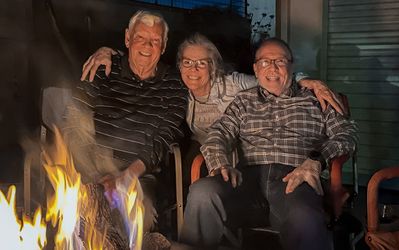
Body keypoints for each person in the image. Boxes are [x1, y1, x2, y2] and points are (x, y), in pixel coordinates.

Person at [81, 33, 344, 188]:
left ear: (214, 66)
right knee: (182, 170)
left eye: (202, 63)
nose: (193, 69)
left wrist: (305, 79)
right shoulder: (177, 87)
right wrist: (110, 52)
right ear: (179, 66)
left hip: (245, 151)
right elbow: (142, 65)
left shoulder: (234, 83)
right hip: (207, 148)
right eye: (187, 62)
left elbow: (272, 78)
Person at [179, 38, 358, 250]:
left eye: (280, 61)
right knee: (202, 192)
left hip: (296, 179)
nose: (272, 67)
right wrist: (220, 163)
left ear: (291, 65)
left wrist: (316, 160)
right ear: (255, 69)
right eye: (264, 62)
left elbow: (347, 134)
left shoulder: (317, 99)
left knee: (305, 218)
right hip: (247, 180)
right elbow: (220, 131)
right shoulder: (243, 101)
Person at [73, 10, 188, 231]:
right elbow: (74, 122)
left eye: (155, 40)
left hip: (139, 174)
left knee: (138, 215)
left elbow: (164, 137)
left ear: (163, 46)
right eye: (140, 38)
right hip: (91, 169)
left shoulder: (174, 84)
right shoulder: (100, 70)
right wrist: (95, 174)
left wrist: (126, 177)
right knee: (80, 210)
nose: (147, 46)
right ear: (127, 38)